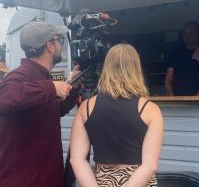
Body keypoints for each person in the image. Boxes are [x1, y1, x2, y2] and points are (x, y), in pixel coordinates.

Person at [70, 44, 163, 187]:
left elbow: (76, 159)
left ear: (106, 68)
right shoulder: (150, 110)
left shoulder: (86, 107)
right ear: (136, 69)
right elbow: (149, 166)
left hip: (102, 181)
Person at [0, 21, 81, 187]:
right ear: (50, 46)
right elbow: (5, 98)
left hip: (45, 178)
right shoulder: (20, 76)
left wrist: (73, 89)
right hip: (24, 181)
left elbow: (49, 113)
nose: (62, 45)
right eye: (60, 40)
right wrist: (51, 87)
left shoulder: (42, 78)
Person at [165, 21, 199, 96]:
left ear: (198, 33)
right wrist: (173, 99)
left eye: (191, 33)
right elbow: (168, 79)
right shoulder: (175, 54)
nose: (188, 36)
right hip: (179, 103)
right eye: (185, 33)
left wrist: (195, 99)